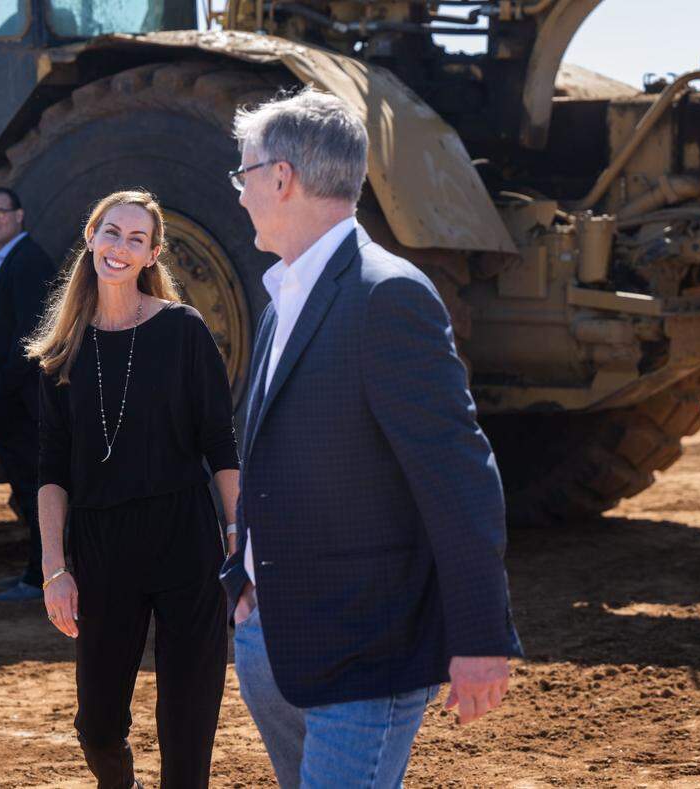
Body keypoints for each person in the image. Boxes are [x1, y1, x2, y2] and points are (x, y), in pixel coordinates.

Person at [221, 88, 523, 787]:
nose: (239, 197)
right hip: (275, 637)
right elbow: (271, 453)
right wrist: (242, 583)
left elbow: (460, 476)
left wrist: (480, 638)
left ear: (281, 177)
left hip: (367, 649)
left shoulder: (388, 296)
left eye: (243, 177)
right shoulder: (282, 297)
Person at [32, 191, 238, 788]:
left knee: (187, 723)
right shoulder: (60, 354)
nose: (120, 248)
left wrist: (236, 535)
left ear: (152, 255)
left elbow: (220, 444)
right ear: (91, 235)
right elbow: (51, 471)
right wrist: (54, 567)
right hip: (102, 546)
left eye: (135, 239)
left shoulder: (182, 330)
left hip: (185, 539)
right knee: (97, 724)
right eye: (111, 233)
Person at [0, 187, 57, 604]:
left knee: (37, 489)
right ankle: (33, 572)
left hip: (22, 397)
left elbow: (33, 334)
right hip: (9, 392)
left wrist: (2, 384)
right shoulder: (2, 259)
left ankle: (40, 578)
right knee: (24, 489)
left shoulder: (28, 261)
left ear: (19, 216)